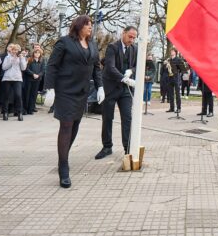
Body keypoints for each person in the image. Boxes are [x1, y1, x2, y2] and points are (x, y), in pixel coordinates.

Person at [45, 15, 103, 188]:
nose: (90, 28)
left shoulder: (92, 44)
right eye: (87, 25)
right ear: (78, 26)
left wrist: (100, 87)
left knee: (75, 125)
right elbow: (52, 65)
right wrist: (50, 88)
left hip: (82, 91)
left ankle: (64, 156)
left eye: (91, 25)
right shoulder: (64, 42)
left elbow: (96, 68)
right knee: (66, 125)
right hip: (65, 90)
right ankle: (64, 168)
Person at [96, 25, 138, 159]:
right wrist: (123, 78)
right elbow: (109, 67)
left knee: (127, 118)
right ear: (123, 33)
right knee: (107, 118)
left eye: (134, 38)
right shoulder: (112, 47)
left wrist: (131, 70)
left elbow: (137, 65)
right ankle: (107, 147)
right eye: (130, 36)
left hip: (125, 91)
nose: (131, 40)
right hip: (111, 88)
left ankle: (128, 148)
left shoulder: (135, 49)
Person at [0, 44, 27, 121]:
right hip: (7, 78)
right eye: (14, 50)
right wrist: (11, 61)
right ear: (11, 50)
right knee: (6, 96)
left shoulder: (22, 57)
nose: (15, 51)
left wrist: (21, 59)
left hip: (17, 79)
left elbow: (23, 68)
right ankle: (5, 113)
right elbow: (4, 67)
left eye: (17, 50)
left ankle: (19, 113)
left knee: (18, 95)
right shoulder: (7, 57)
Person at [23, 47, 45, 114]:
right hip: (29, 80)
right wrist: (33, 74)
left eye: (38, 53)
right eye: (36, 52)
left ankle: (31, 109)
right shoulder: (29, 60)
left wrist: (38, 75)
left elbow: (43, 70)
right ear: (33, 53)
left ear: (40, 54)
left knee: (33, 95)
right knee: (27, 94)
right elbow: (26, 69)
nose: (37, 54)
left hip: (37, 80)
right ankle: (25, 109)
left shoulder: (41, 61)